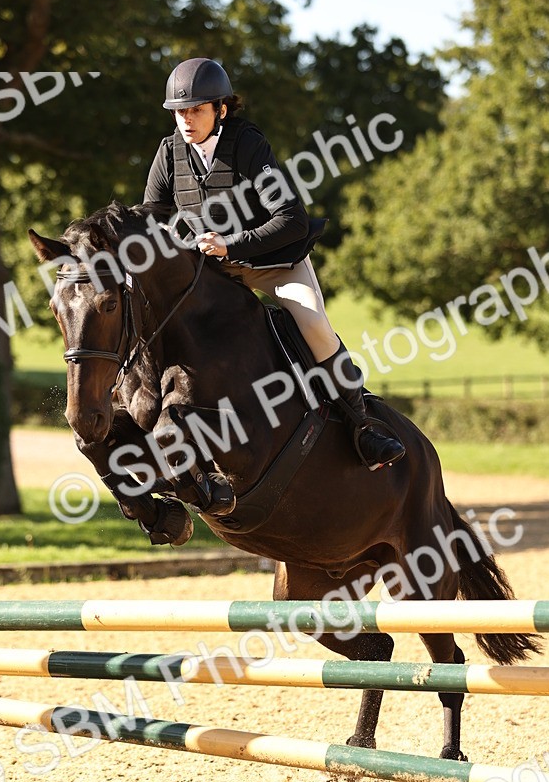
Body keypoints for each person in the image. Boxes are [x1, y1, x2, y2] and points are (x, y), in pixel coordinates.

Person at [143, 57, 405, 472]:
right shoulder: (169, 152)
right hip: (210, 270)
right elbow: (152, 216)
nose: (186, 120)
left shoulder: (248, 145)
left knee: (314, 323)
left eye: (196, 110)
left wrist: (231, 244)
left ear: (221, 109)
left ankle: (363, 427)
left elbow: (290, 219)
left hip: (273, 261)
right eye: (179, 112)